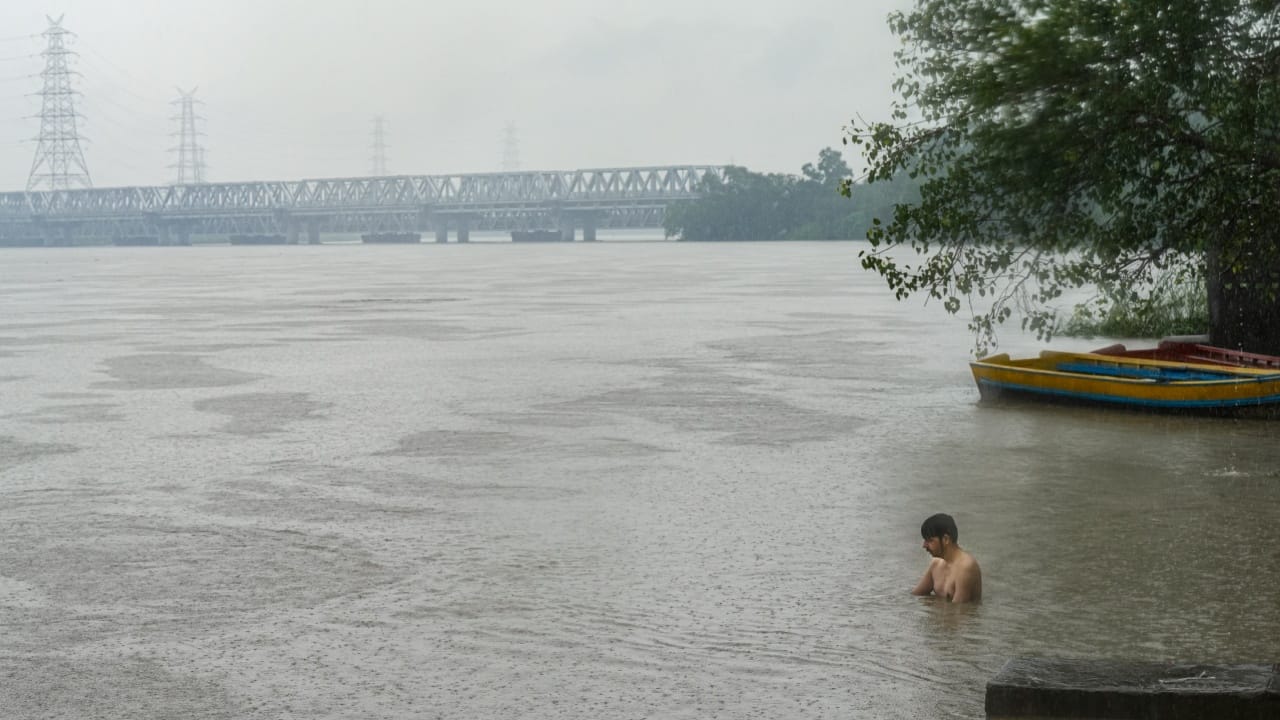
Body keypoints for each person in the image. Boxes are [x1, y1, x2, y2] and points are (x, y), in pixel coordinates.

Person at [911, 513, 982, 603]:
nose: (924, 546)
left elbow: (959, 613)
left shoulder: (966, 568)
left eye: (929, 540)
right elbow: (915, 596)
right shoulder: (936, 564)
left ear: (946, 539)